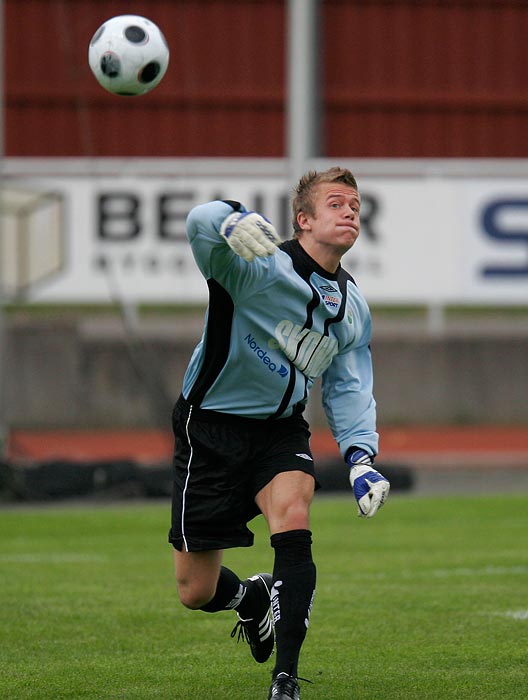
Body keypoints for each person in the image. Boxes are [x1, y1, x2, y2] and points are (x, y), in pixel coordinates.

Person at [168, 166, 390, 700]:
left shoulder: (353, 309)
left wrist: (361, 457)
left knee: (294, 515)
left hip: (281, 431)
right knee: (194, 591)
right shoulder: (256, 266)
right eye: (336, 203)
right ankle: (249, 600)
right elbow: (200, 223)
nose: (350, 211)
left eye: (356, 205)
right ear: (304, 220)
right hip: (210, 428)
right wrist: (230, 217)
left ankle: (285, 680)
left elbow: (349, 386)